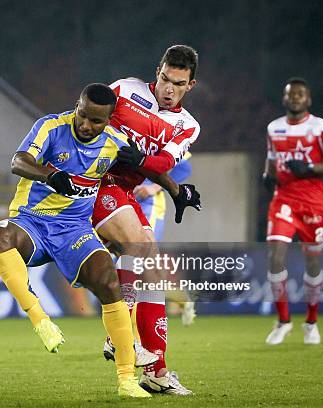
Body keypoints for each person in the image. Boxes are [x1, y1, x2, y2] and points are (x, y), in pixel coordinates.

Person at [0, 83, 151, 398]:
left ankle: (127, 380)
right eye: (83, 115)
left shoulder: (116, 143)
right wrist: (48, 175)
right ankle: (39, 318)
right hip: (32, 222)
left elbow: (142, 171)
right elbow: (17, 161)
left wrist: (169, 184)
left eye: (96, 121)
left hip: (75, 230)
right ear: (77, 105)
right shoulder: (51, 127)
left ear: (109, 120)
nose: (86, 125)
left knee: (110, 283)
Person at [92, 45, 200, 395]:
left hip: (126, 192)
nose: (169, 89)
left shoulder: (187, 126)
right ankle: (116, 334)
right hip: (94, 185)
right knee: (138, 244)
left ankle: (156, 370)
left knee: (152, 267)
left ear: (190, 85)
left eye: (178, 84)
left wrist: (146, 164)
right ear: (157, 72)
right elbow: (87, 118)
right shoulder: (125, 89)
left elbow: (162, 164)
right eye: (165, 79)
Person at [263, 77, 323, 345]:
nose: (296, 98)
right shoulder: (274, 128)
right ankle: (283, 321)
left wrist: (310, 168)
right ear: (285, 99)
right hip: (283, 199)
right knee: (275, 256)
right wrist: (267, 174)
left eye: (300, 94)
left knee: (313, 264)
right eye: (291, 94)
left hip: (312, 203)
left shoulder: (319, 127)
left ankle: (311, 322)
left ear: (308, 100)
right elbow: (272, 158)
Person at [134, 155, 196, 326]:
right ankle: (181, 298)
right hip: (123, 204)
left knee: (143, 264)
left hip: (149, 205)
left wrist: (154, 187)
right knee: (130, 268)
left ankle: (137, 335)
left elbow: (184, 168)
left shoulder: (155, 134)